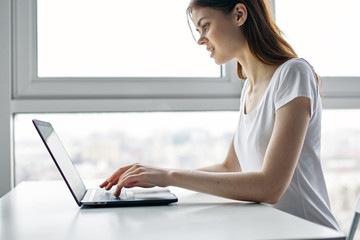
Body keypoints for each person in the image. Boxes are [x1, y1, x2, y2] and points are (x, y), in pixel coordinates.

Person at [100, 0, 340, 231]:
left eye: (205, 25)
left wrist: (168, 177)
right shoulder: (249, 88)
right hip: (274, 230)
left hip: (311, 231)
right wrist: (155, 179)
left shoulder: (293, 73)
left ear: (239, 15)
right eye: (198, 30)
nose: (200, 39)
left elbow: (270, 186)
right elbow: (230, 167)